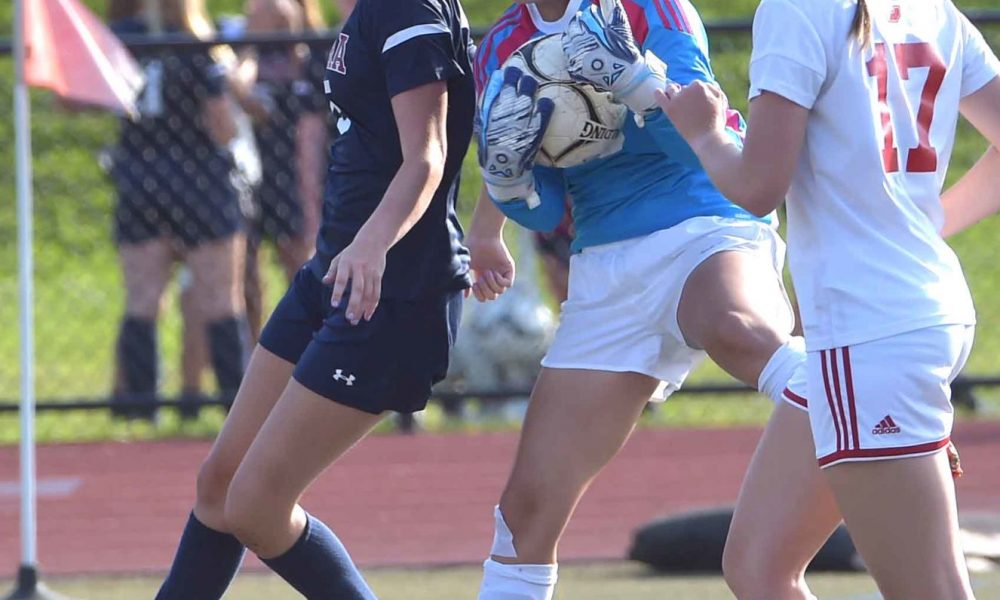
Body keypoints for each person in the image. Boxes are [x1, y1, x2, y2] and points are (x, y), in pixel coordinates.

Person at [467, 0, 818, 597]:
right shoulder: (501, 44)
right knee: (524, 516)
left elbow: (696, 146)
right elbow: (550, 209)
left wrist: (635, 80)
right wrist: (508, 183)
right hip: (604, 262)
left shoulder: (651, 8)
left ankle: (881, 423)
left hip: (703, 219)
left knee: (739, 330)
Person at [657, 0, 1000, 596]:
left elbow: (759, 187)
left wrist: (704, 134)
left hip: (870, 332)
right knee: (759, 567)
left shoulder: (795, 9)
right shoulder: (932, 9)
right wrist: (921, 227)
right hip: (910, 316)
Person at [152, 0, 475, 596]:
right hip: (330, 277)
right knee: (219, 485)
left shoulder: (404, 7)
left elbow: (426, 158)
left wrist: (370, 246)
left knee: (254, 506)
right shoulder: (366, 10)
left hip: (389, 294)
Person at [107, 0, 248, 422]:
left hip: (140, 179)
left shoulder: (124, 41)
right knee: (221, 299)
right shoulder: (197, 47)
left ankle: (141, 408)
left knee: (142, 300)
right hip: (200, 182)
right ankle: (234, 406)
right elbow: (221, 124)